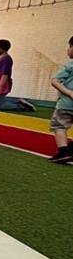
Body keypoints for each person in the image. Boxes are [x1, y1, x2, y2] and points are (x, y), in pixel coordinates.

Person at [48, 35, 73, 164]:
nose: (68, 49)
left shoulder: (70, 66)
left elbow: (55, 81)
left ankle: (63, 151)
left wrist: (69, 92)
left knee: (59, 125)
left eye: (70, 46)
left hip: (66, 104)